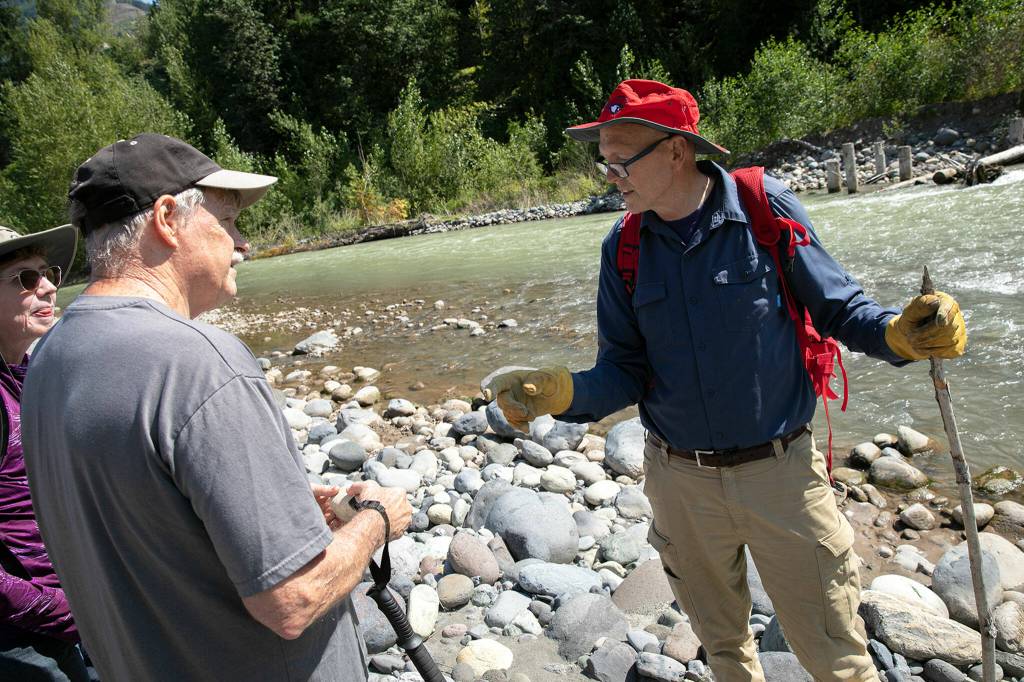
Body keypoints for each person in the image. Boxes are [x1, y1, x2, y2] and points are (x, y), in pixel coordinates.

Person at [484, 80, 965, 682]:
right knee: (724, 650)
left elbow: (841, 310)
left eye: (621, 158)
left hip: (783, 479)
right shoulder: (624, 247)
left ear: (677, 151)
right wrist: (563, 393)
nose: (610, 174)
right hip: (679, 484)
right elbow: (624, 371)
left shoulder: (765, 209)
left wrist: (901, 334)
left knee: (837, 657)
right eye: (603, 159)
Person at [21, 133, 412, 681]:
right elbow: (292, 601)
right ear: (166, 218)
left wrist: (275, 512)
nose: (243, 242)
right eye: (227, 221)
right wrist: (375, 521)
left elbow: (142, 516)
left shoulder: (48, 359)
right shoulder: (199, 362)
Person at [0, 223, 93, 681]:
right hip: (20, 638)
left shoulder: (32, 373)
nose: (50, 286)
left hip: (67, 610)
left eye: (47, 272)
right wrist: (64, 610)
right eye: (26, 278)